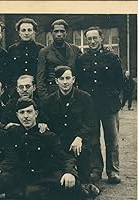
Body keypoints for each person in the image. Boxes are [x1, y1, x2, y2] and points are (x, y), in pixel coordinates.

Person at [7, 98, 100, 200]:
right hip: (27, 176)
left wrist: (70, 173)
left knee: (32, 195)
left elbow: (65, 157)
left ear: (36, 114)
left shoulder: (48, 136)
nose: (26, 116)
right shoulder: (13, 132)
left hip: (48, 175)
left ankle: (82, 190)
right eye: (22, 113)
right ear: (17, 115)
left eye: (29, 112)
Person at [76, 26, 124, 184]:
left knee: (112, 139)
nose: (92, 41)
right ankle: (95, 169)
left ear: (101, 38)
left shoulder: (112, 57)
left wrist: (117, 101)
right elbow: (81, 83)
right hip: (90, 106)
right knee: (92, 139)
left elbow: (120, 82)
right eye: (89, 39)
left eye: (94, 38)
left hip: (109, 106)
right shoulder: (82, 59)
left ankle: (113, 171)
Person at [41, 66, 97, 185]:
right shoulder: (48, 101)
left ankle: (84, 178)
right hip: (58, 143)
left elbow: (91, 123)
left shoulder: (85, 98)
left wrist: (80, 137)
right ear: (56, 81)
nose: (65, 82)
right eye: (61, 79)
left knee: (83, 178)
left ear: (73, 79)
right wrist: (43, 125)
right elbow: (43, 120)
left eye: (68, 78)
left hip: (78, 142)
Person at [37, 19, 81, 99]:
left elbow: (80, 74)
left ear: (66, 33)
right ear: (51, 33)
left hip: (72, 93)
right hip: (53, 92)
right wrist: (45, 98)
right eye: (56, 31)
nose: (59, 34)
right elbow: (40, 78)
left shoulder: (75, 50)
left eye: (62, 31)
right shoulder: (44, 52)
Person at [7, 18, 44, 97]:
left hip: (36, 91)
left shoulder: (41, 49)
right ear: (19, 33)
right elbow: (9, 72)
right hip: (16, 91)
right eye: (23, 30)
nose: (26, 33)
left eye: (29, 30)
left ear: (34, 32)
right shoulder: (12, 50)